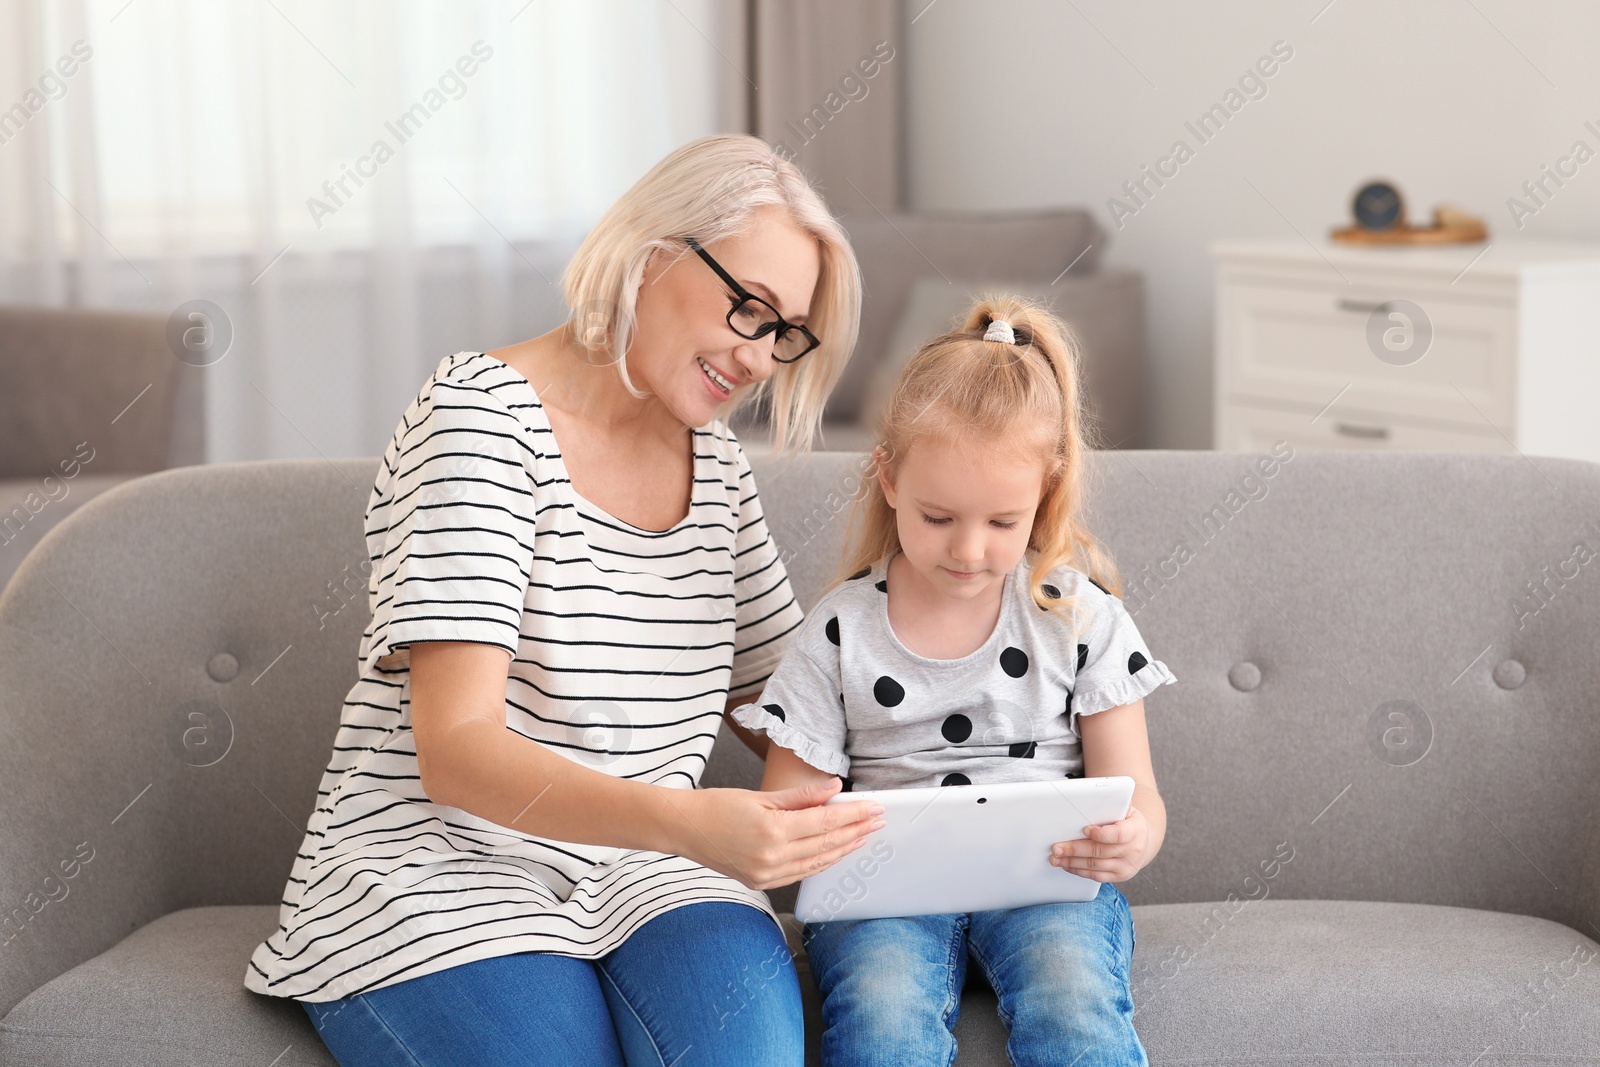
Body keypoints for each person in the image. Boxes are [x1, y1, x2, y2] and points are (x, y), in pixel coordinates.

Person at [242, 134, 886, 1067]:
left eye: (783, 333)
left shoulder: (719, 472)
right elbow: (458, 753)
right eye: (748, 308)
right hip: (439, 877)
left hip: (655, 878)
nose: (757, 357)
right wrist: (688, 821)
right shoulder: (479, 416)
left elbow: (790, 712)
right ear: (655, 249)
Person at [731, 295, 1177, 1067]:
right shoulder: (839, 631)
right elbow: (790, 811)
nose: (969, 549)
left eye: (1003, 522)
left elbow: (1137, 794)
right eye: (938, 517)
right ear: (890, 478)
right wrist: (809, 833)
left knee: (1073, 996)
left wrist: (1132, 839)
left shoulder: (1079, 617)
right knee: (882, 1012)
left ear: (1046, 492)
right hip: (886, 902)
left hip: (1046, 887)